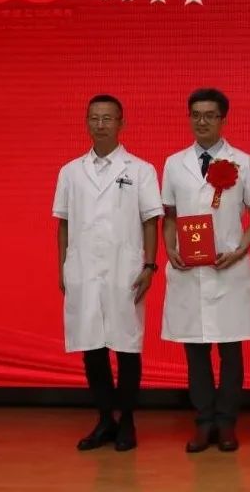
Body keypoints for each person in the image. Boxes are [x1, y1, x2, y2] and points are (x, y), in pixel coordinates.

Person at [52, 94, 162, 452]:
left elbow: (151, 220)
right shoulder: (70, 171)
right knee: (92, 347)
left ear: (121, 123)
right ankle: (104, 420)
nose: (100, 124)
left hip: (124, 269)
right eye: (94, 118)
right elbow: (64, 223)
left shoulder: (140, 170)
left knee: (127, 346)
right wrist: (63, 267)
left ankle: (127, 420)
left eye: (108, 118)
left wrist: (149, 265)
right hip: (83, 269)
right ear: (87, 122)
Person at [161, 88, 250, 453]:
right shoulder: (174, 163)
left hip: (228, 270)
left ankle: (227, 422)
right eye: (196, 115)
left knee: (231, 351)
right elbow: (169, 216)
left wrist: (240, 250)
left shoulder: (244, 162)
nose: (201, 121)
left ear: (223, 119)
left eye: (210, 115)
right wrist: (170, 248)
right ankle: (204, 422)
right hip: (189, 271)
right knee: (196, 352)